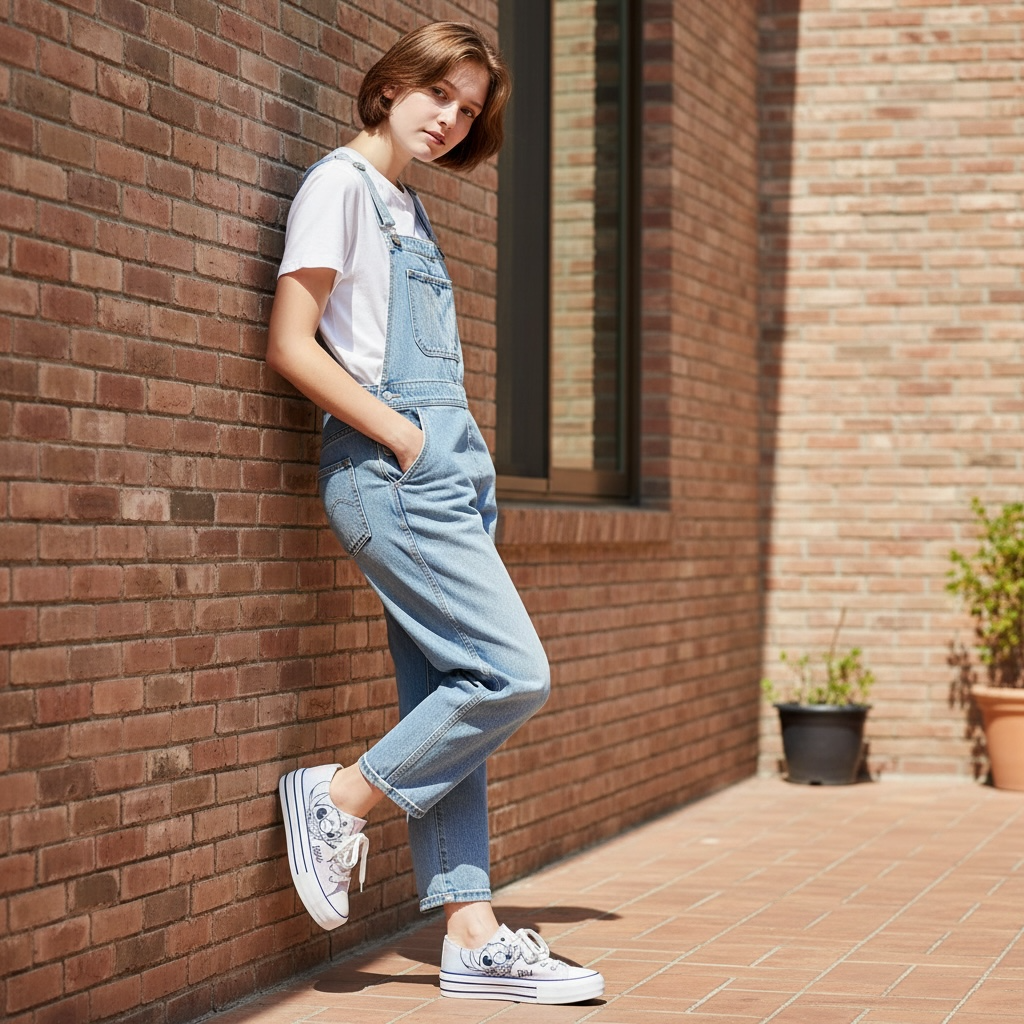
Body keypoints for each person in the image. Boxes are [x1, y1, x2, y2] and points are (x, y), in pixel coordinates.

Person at [265, 22, 605, 1005]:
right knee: (511, 673)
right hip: (392, 469)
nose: (451, 119)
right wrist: (406, 441)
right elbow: (293, 343)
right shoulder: (342, 186)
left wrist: (449, 455)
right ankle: (337, 799)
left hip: (446, 475)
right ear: (392, 85)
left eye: (467, 110)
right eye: (440, 95)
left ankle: (470, 932)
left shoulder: (408, 206)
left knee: (450, 701)